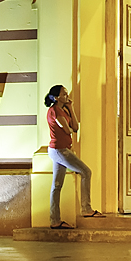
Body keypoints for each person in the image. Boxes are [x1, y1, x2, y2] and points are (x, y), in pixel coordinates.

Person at [44, 85, 104, 228]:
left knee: (57, 185)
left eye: (66, 93)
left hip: (61, 150)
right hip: (60, 150)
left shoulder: (63, 110)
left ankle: (55, 220)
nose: (66, 96)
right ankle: (86, 209)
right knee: (86, 172)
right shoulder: (54, 111)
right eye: (64, 94)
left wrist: (71, 108)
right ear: (56, 97)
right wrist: (69, 128)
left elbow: (75, 128)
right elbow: (67, 129)